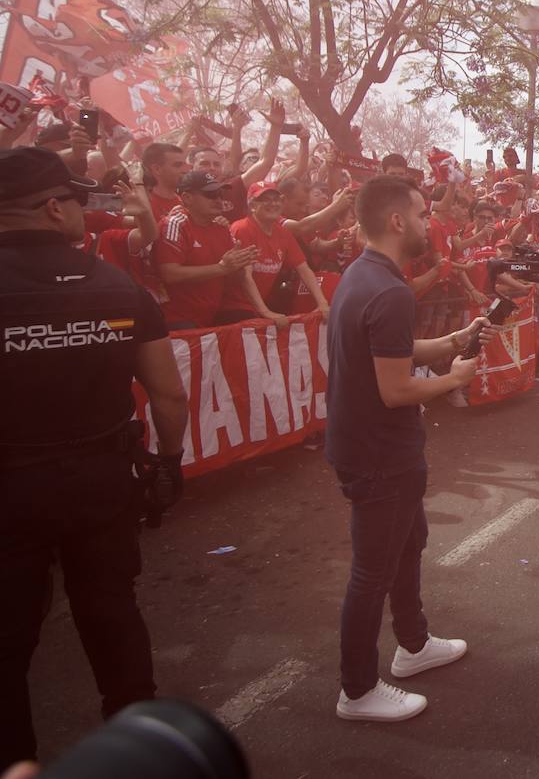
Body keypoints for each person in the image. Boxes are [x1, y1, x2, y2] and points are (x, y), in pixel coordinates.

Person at [0, 147, 188, 765]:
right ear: (54, 208)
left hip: (11, 490)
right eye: (79, 201)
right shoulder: (118, 287)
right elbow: (166, 392)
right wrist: (167, 462)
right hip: (101, 480)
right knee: (113, 619)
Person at [325, 174, 493, 723]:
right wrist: (455, 377)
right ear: (398, 220)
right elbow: (395, 388)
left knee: (408, 544)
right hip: (379, 453)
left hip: (374, 447)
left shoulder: (364, 275)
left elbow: (390, 349)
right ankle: (357, 689)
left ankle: (414, 645)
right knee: (372, 572)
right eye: (422, 214)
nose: (429, 223)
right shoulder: (391, 289)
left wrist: (450, 343)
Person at [153, 170, 256, 329]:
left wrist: (240, 265)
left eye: (220, 194)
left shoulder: (222, 228)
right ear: (187, 198)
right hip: (174, 320)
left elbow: (232, 275)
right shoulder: (175, 224)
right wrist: (222, 268)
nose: (219, 200)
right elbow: (169, 274)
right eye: (210, 195)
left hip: (210, 317)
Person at [223, 182, 331, 325]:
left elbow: (304, 270)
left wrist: (323, 304)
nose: (273, 204)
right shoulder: (241, 229)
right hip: (232, 309)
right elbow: (245, 277)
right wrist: (266, 312)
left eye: (276, 199)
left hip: (257, 308)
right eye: (265, 200)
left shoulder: (283, 233)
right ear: (252, 206)